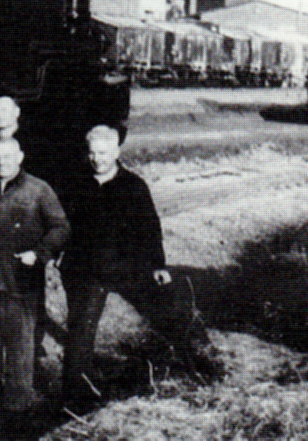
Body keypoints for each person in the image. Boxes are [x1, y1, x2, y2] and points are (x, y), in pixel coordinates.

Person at [59, 125, 215, 410]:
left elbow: (150, 229)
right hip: (87, 269)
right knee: (81, 328)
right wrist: (59, 254)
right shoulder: (76, 184)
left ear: (117, 152)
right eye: (92, 153)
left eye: (104, 153)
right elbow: (62, 224)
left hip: (127, 268)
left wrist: (157, 265)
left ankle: (196, 366)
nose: (97, 159)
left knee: (166, 310)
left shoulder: (133, 186)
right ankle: (76, 395)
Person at [0, 137, 69, 416]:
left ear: (20, 156)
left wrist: (39, 254)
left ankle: (17, 410)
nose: (2, 162)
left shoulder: (38, 189)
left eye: (8, 157)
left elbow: (60, 227)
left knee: (19, 348)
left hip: (20, 283)